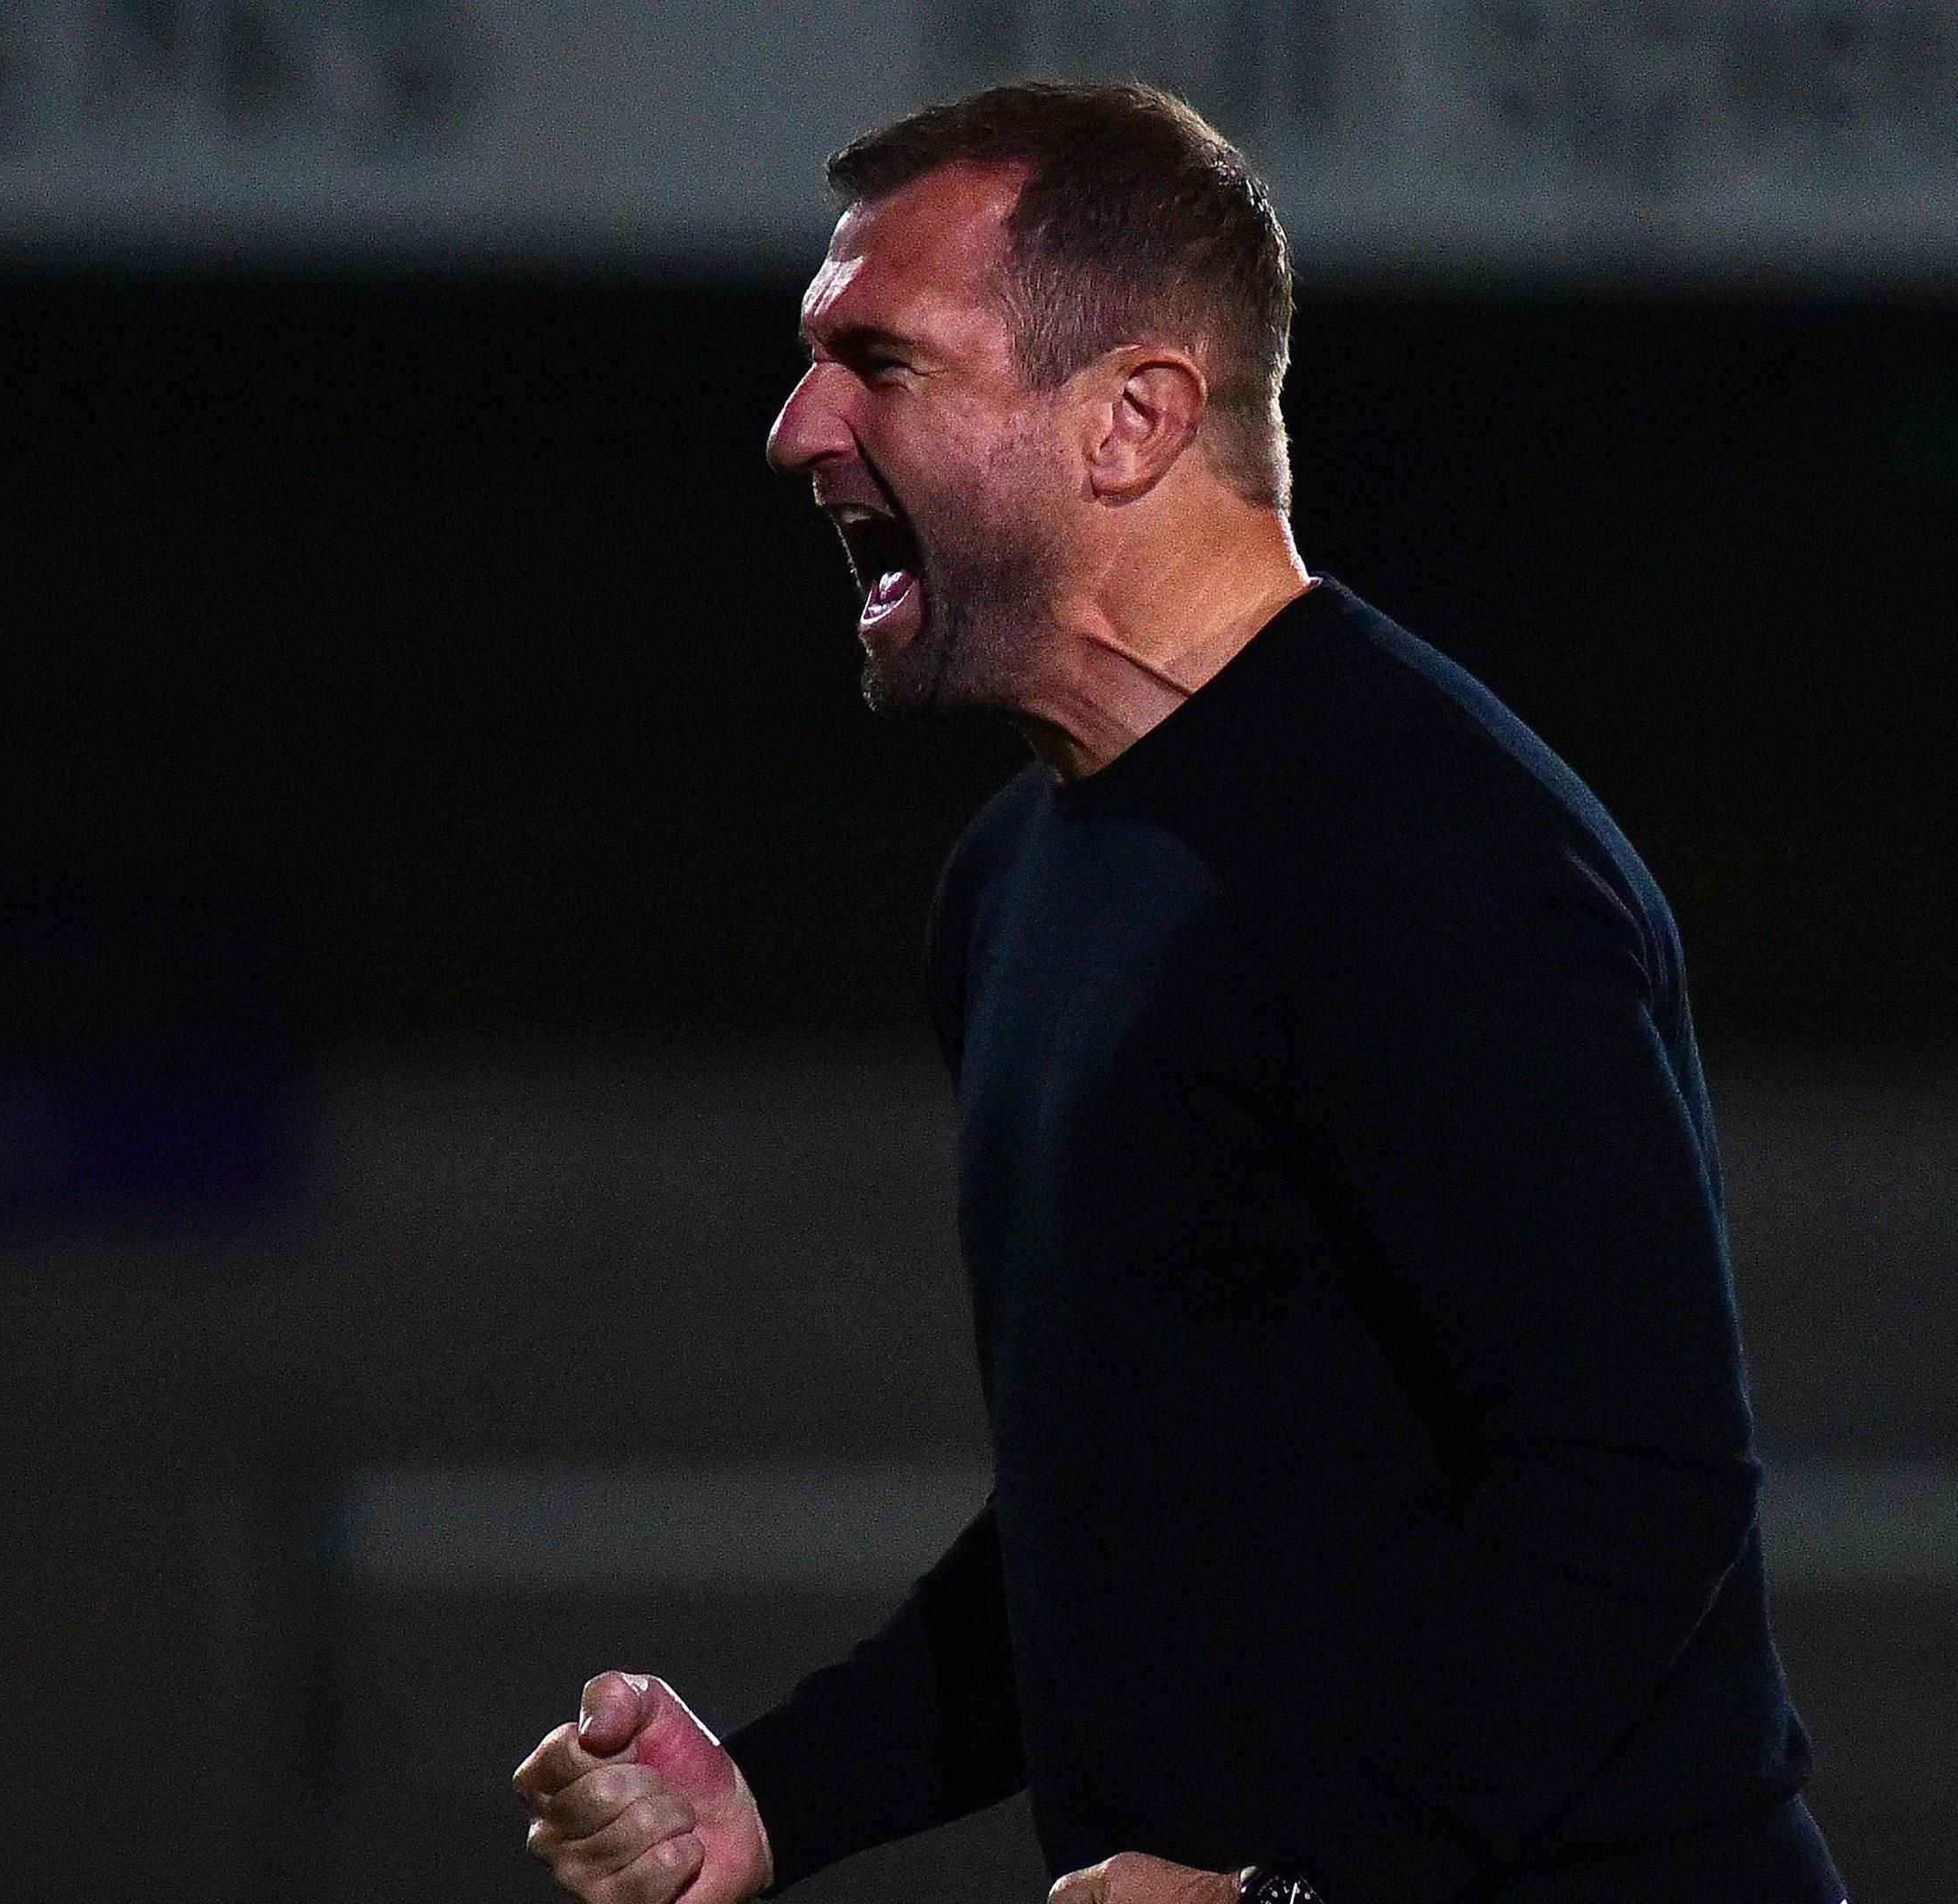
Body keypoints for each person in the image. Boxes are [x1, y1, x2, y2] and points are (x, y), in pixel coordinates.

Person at [511, 82, 1842, 1904]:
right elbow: (1123, 1528)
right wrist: (775, 1794)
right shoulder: (1015, 887)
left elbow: (1636, 1484)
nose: (795, 426)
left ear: (1132, 419)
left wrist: (1310, 1891)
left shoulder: (1425, 856)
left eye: (877, 361)